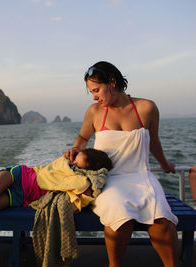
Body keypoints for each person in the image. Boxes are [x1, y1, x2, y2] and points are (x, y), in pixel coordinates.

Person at [64, 61, 179, 267]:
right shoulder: (94, 112)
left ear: (113, 82)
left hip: (140, 176)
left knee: (162, 222)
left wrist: (164, 164)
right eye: (91, 92)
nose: (94, 96)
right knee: (120, 220)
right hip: (108, 179)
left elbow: (153, 142)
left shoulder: (147, 108)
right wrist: (76, 149)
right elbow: (82, 137)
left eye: (97, 90)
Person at [0, 148, 113, 214]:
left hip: (21, 196)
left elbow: (83, 192)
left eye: (78, 164)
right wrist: (72, 159)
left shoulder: (81, 181)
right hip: (21, 175)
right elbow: (60, 169)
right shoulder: (65, 163)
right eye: (76, 159)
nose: (73, 163)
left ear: (88, 171)